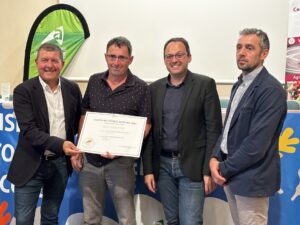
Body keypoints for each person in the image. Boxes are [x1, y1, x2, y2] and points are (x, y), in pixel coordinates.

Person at [210, 28, 287, 225]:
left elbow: (256, 145)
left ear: (264, 53)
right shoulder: (240, 84)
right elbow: (227, 129)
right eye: (239, 47)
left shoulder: (271, 91)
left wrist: (224, 169)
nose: (242, 52)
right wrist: (214, 157)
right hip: (232, 174)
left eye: (249, 48)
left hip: (251, 179)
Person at [142, 37, 222, 225]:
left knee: (191, 221)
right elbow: (149, 133)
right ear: (164, 60)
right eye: (169, 56)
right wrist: (148, 170)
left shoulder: (205, 85)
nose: (174, 60)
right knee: (172, 221)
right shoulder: (153, 89)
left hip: (193, 166)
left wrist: (208, 170)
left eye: (179, 55)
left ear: (189, 57)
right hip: (162, 166)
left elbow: (214, 130)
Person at [71, 36, 151, 225]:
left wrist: (126, 147)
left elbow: (146, 123)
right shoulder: (94, 81)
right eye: (112, 56)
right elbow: (85, 115)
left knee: (126, 218)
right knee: (90, 218)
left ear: (130, 60)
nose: (116, 62)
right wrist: (80, 147)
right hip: (90, 162)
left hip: (121, 163)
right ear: (105, 57)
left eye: (122, 58)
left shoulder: (141, 87)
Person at [7, 43, 82, 225]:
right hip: (31, 164)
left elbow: (77, 124)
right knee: (24, 220)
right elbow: (30, 131)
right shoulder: (23, 91)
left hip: (60, 164)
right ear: (36, 62)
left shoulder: (72, 89)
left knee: (51, 217)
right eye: (44, 60)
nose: (49, 65)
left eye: (54, 60)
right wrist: (63, 145)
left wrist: (80, 149)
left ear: (62, 63)